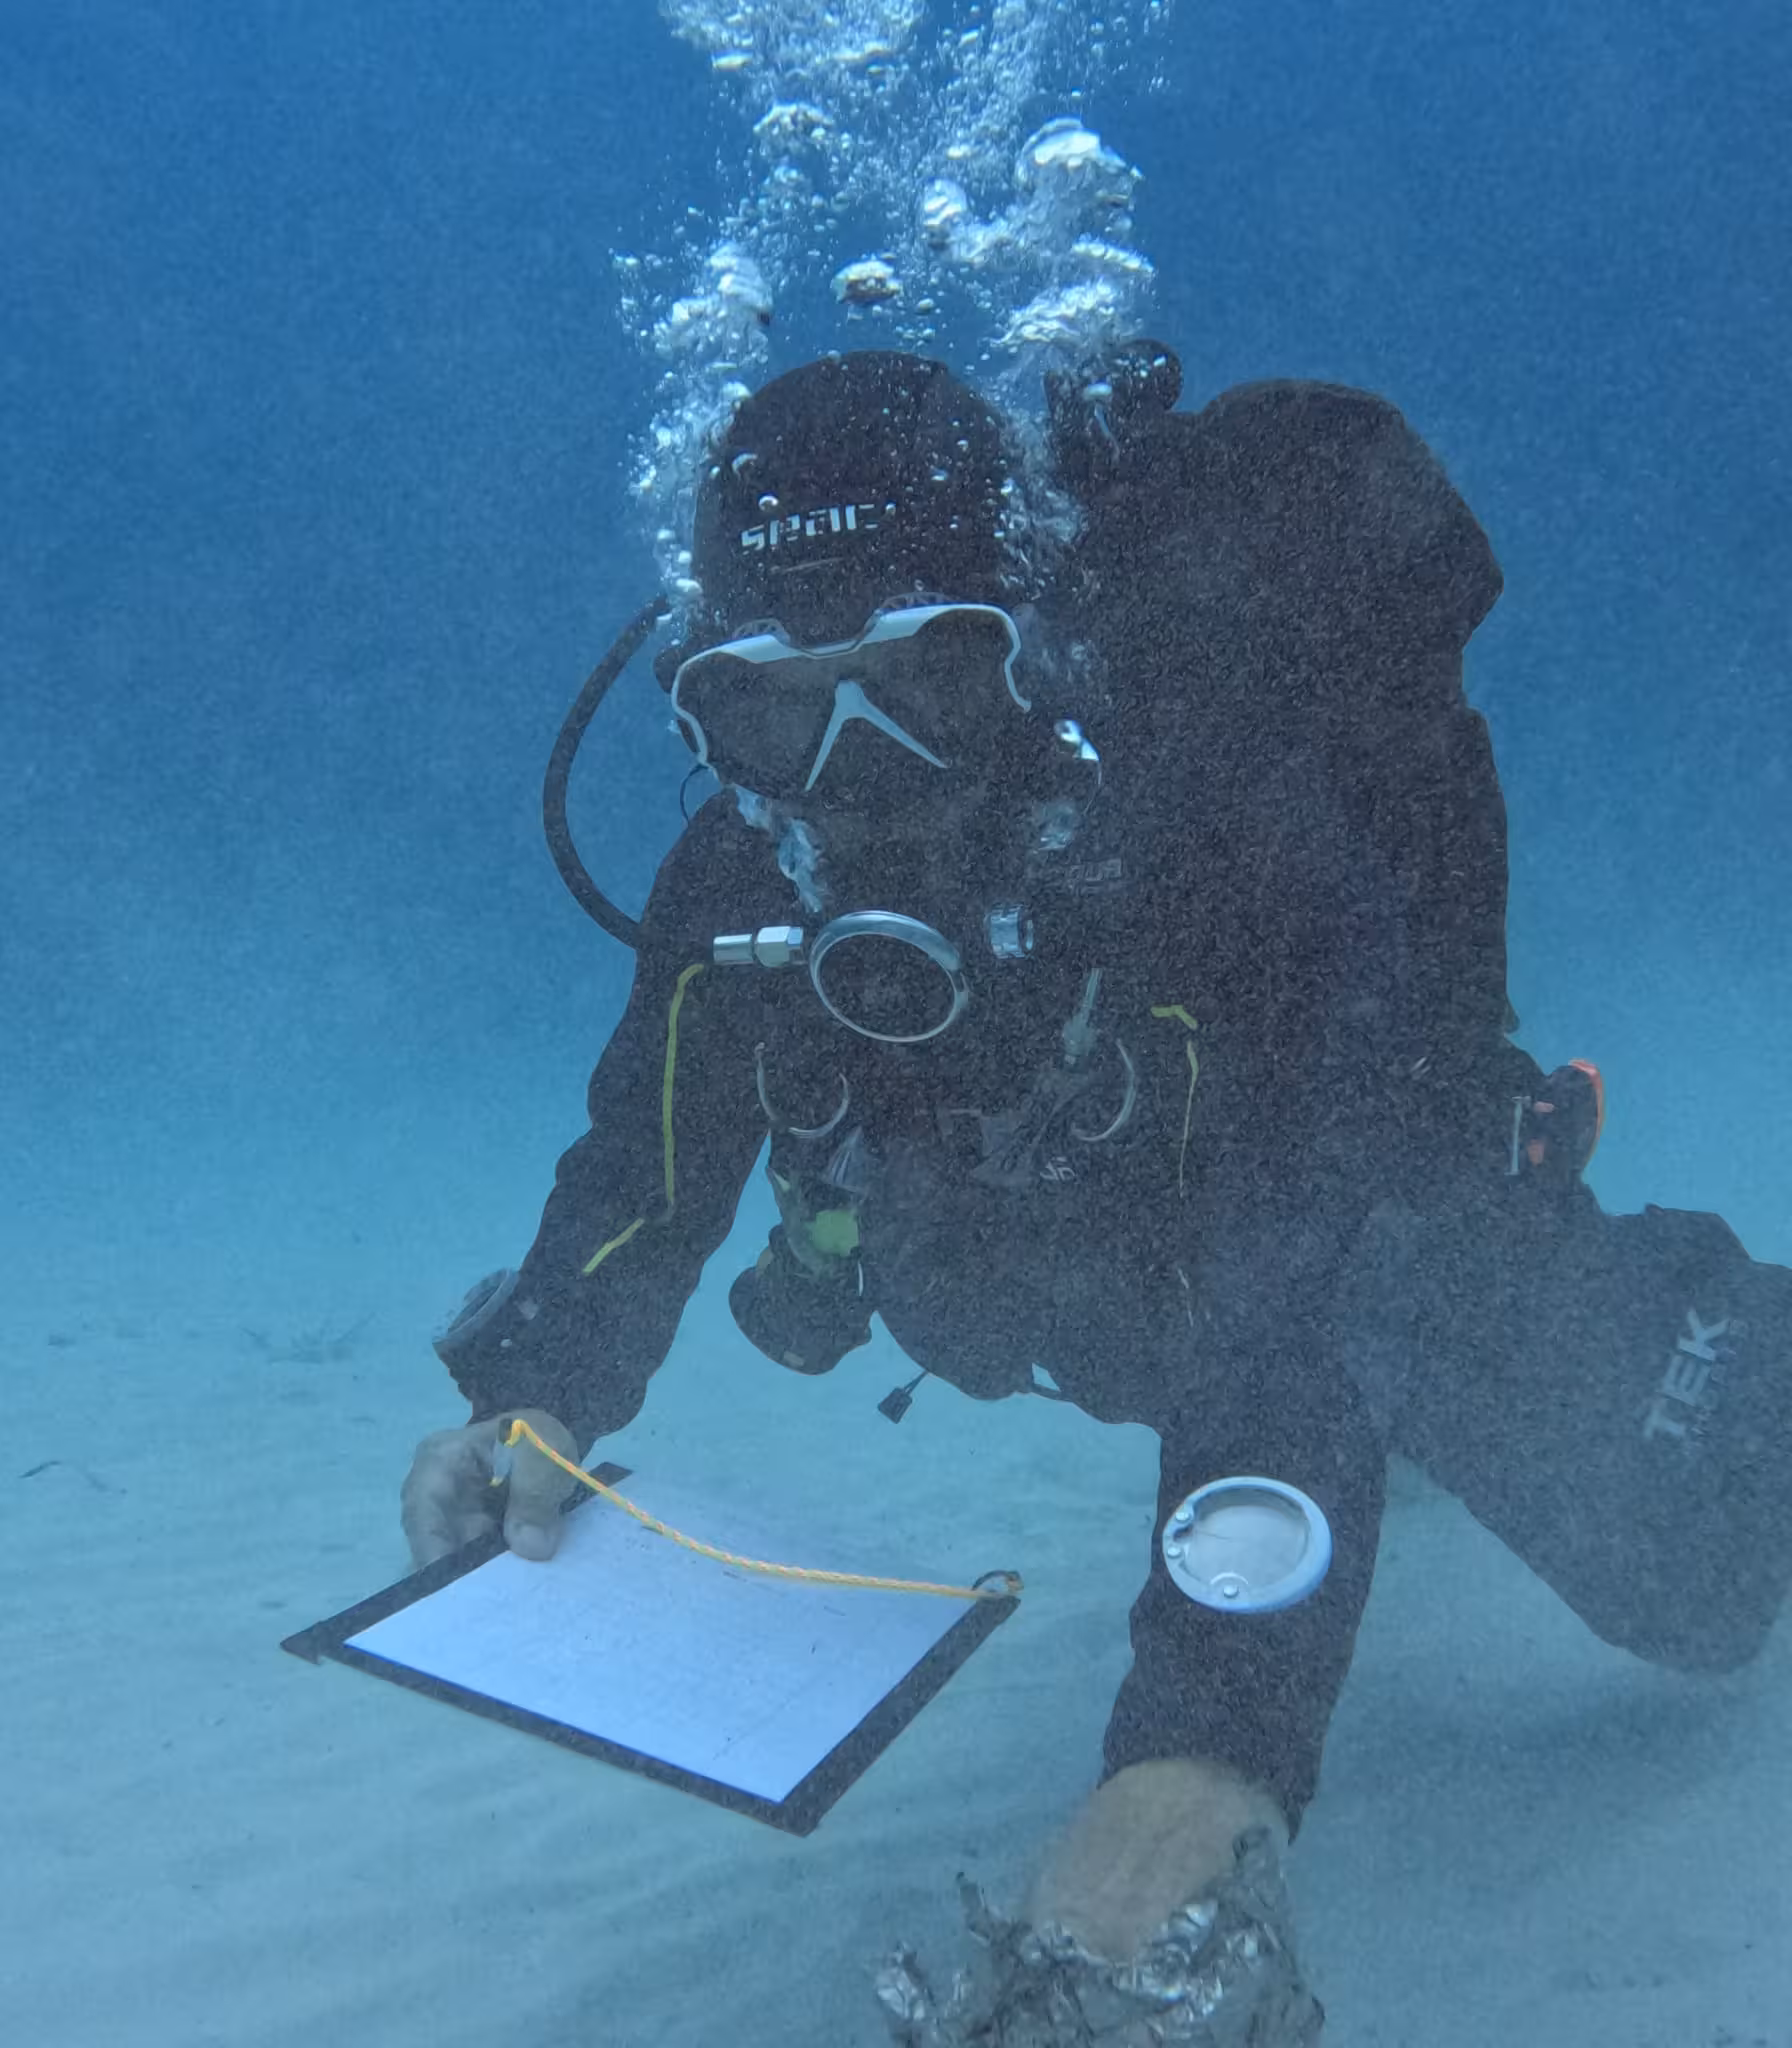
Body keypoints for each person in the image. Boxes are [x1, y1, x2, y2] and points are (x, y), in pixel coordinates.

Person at [400, 347, 1792, 2040]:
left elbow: (1309, 1244)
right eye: (775, 708)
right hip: (1150, 1307)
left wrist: (1208, 1744)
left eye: (925, 677)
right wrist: (537, 1391)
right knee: (1241, 1350)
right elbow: (647, 1153)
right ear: (709, 716)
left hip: (1360, 1253)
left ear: (1029, 644)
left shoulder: (1216, 819)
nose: (853, 767)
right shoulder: (752, 869)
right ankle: (1353, 1465)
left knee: (1698, 1584)